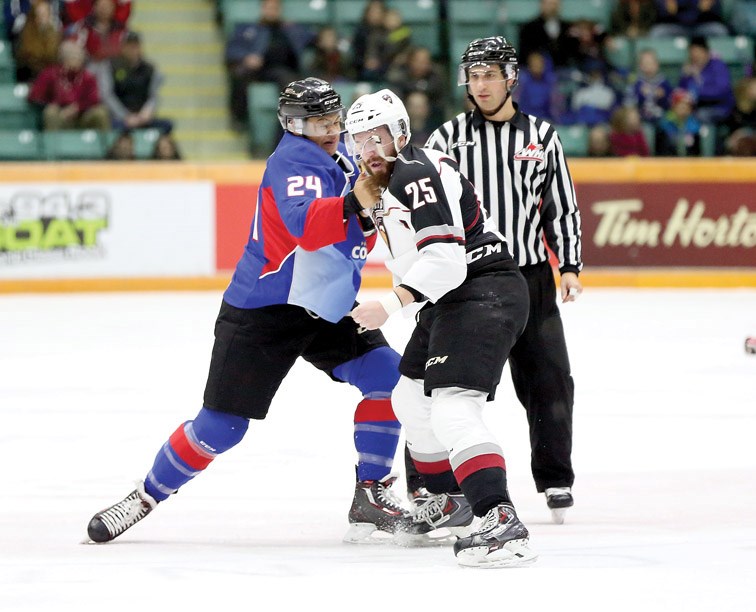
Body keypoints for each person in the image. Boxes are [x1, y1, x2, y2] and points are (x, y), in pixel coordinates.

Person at [86, 78, 412, 545]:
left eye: (333, 120)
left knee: (388, 380)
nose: (329, 130)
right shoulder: (293, 160)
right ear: (292, 125)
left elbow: (353, 235)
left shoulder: (341, 160)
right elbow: (306, 226)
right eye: (317, 123)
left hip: (325, 307)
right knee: (221, 427)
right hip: (266, 311)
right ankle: (143, 497)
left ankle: (371, 496)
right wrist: (360, 201)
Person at [344, 89, 537, 568]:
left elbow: (447, 262)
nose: (368, 149)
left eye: (378, 136)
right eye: (359, 140)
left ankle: (501, 519)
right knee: (409, 397)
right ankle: (453, 501)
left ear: (401, 134)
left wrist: (389, 304)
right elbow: (413, 259)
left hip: (480, 288)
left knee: (452, 407)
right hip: (451, 300)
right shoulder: (391, 183)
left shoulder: (413, 173)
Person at [423, 37, 583, 524]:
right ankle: (446, 488)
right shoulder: (447, 138)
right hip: (467, 281)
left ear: (510, 77)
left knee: (550, 381)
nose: (481, 84)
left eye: (490, 74)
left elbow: (562, 205)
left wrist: (569, 265)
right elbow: (420, 197)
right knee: (452, 387)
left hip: (531, 278)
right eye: (473, 76)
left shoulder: (541, 136)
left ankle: (555, 477)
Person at [98, 31, 173, 134]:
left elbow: (154, 95)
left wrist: (146, 112)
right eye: (129, 46)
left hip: (142, 116)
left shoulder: (149, 69)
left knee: (167, 125)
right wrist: (125, 116)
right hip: (119, 118)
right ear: (123, 47)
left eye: (135, 46)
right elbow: (107, 95)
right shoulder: (111, 66)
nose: (132, 50)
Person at [28, 39, 110, 131]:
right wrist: (56, 104)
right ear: (63, 58)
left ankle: (106, 144)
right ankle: (52, 144)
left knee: (101, 112)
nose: (78, 59)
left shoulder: (88, 77)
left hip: (82, 116)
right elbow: (34, 96)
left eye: (79, 56)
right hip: (60, 114)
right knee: (50, 112)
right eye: (73, 56)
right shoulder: (49, 74)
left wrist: (77, 107)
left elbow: (94, 99)